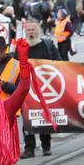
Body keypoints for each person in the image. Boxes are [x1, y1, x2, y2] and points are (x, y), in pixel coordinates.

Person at [21, 21, 61, 158]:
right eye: (29, 30)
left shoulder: (47, 45)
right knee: (28, 118)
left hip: (44, 87)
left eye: (33, 29)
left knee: (43, 116)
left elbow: (58, 62)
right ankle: (29, 148)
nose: (31, 32)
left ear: (38, 31)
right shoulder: (22, 46)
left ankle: (46, 146)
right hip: (27, 89)